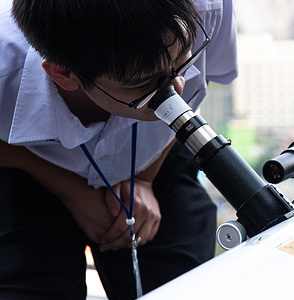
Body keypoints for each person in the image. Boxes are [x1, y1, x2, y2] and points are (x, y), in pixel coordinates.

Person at [0, 0, 238, 299]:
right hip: (30, 164)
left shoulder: (209, 9)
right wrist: (74, 193)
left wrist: (145, 179)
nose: (177, 87)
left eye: (184, 61)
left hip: (158, 155)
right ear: (63, 73)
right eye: (143, 83)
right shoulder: (4, 67)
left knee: (181, 286)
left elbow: (206, 77)